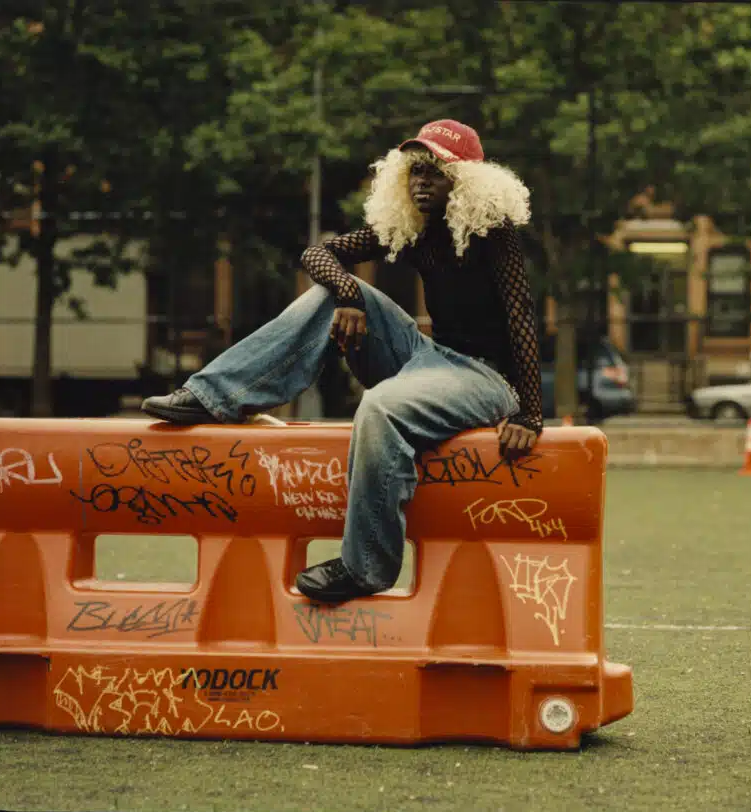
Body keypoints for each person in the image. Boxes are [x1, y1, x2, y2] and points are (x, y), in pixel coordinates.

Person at [141, 119, 544, 605]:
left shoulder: (493, 234)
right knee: (327, 297)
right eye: (415, 171)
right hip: (426, 357)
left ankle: (366, 567)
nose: (421, 181)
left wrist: (530, 412)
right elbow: (320, 252)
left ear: (466, 181)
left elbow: (521, 317)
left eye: (435, 172)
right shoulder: (414, 229)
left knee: (378, 407)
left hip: (483, 376)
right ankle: (215, 394)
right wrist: (349, 291)